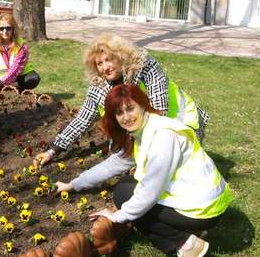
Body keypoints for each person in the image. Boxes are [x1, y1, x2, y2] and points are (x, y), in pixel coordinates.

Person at [56, 84, 233, 257]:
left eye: (130, 108)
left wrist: (118, 217)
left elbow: (149, 191)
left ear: (142, 105)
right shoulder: (142, 132)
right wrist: (73, 184)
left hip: (203, 209)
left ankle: (186, 244)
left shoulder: (163, 136)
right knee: (126, 186)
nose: (126, 117)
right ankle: (189, 236)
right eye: (119, 113)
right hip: (197, 201)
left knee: (125, 195)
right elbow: (112, 165)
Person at [33, 34, 209, 167]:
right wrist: (52, 151)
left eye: (109, 60)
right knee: (119, 152)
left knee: (172, 168)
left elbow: (159, 111)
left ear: (120, 56)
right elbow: (82, 120)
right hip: (148, 127)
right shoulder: (99, 86)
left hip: (182, 124)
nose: (105, 67)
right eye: (99, 63)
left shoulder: (145, 68)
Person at [0, 13, 40, 94]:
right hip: (0, 77)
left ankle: (14, 87)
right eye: (1, 29)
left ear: (13, 29)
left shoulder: (21, 46)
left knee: (33, 78)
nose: (4, 31)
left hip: (19, 75)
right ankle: (10, 88)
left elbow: (15, 69)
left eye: (8, 28)